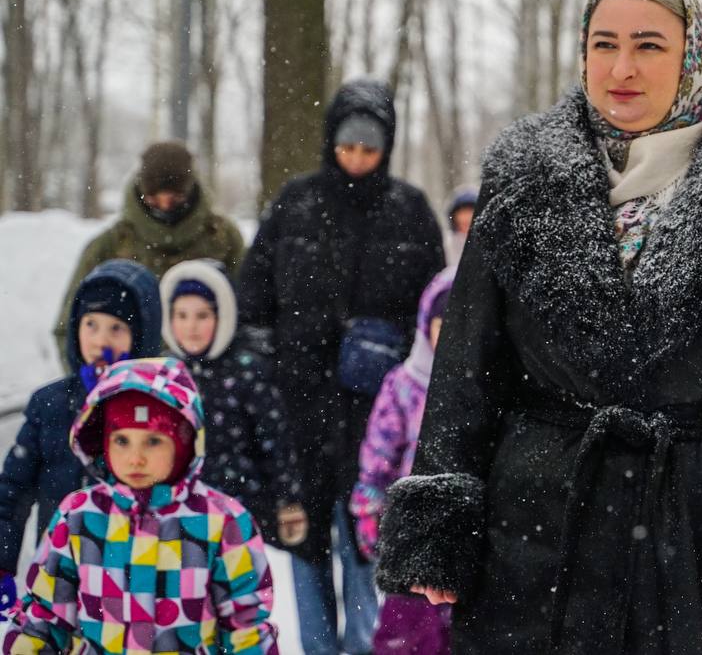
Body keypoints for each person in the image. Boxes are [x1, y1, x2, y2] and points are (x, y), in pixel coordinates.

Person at [376, 0, 702, 655]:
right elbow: (468, 362)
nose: (621, 68)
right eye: (604, 44)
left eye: (648, 45)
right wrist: (441, 521)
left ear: (694, 53)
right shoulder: (522, 171)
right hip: (538, 529)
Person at [238, 79, 446, 655]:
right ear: (331, 141)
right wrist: (270, 362)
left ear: (387, 146)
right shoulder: (295, 203)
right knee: (304, 542)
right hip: (299, 405)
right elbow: (253, 298)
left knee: (365, 537)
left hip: (376, 415)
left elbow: (435, 311)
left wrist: (392, 349)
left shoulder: (410, 211)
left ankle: (361, 645)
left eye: (369, 148)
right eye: (347, 146)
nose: (356, 158)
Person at [1, 357, 279, 653]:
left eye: (153, 441)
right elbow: (45, 617)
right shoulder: (80, 517)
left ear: (184, 442)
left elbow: (245, 627)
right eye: (122, 440)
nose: (135, 458)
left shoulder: (222, 522)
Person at [0, 259, 161, 612]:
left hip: (138, 583)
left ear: (142, 336)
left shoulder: (159, 410)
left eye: (117, 328)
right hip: (60, 578)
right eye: (91, 324)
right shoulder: (50, 404)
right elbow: (11, 494)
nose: (100, 340)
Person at [158, 259, 308, 549]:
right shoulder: (164, 372)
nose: (191, 326)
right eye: (182, 315)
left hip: (239, 506)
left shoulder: (247, 370)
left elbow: (274, 438)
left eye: (202, 315)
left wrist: (288, 498)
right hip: (174, 510)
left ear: (222, 316)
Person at [52, 141, 244, 363]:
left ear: (190, 192)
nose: (164, 207)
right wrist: (92, 387)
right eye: (154, 199)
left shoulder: (223, 238)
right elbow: (68, 328)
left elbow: (249, 315)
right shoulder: (112, 244)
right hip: (127, 383)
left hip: (211, 378)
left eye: (175, 199)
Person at [350, 268, 456, 654]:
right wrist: (369, 508)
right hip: (410, 528)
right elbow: (379, 453)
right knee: (407, 630)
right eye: (441, 324)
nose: (448, 335)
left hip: (465, 532)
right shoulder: (405, 383)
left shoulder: (485, 388)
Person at [444, 187, 478, 266]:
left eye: (470, 211)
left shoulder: (487, 243)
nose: (466, 218)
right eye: (462, 212)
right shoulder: (447, 244)